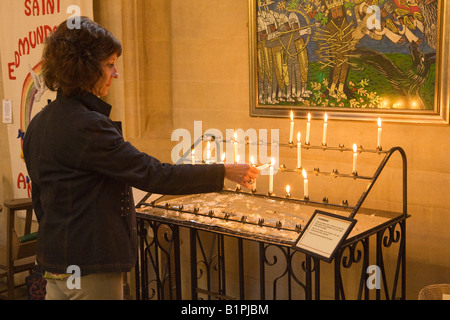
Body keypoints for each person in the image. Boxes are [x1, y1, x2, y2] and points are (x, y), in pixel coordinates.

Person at [23, 17, 259, 300]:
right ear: (85, 68)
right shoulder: (88, 126)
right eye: (110, 64)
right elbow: (155, 174)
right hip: (90, 266)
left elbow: (40, 197)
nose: (116, 73)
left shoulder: (40, 121)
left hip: (54, 263)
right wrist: (224, 171)